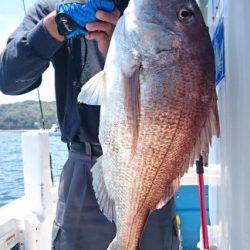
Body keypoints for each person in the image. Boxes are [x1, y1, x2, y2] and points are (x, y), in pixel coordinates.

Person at [0, 0, 179, 249]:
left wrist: (127, 45)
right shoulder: (53, 8)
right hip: (82, 174)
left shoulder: (151, 9)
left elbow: (182, 94)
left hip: (149, 171)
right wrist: (55, 27)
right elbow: (9, 79)